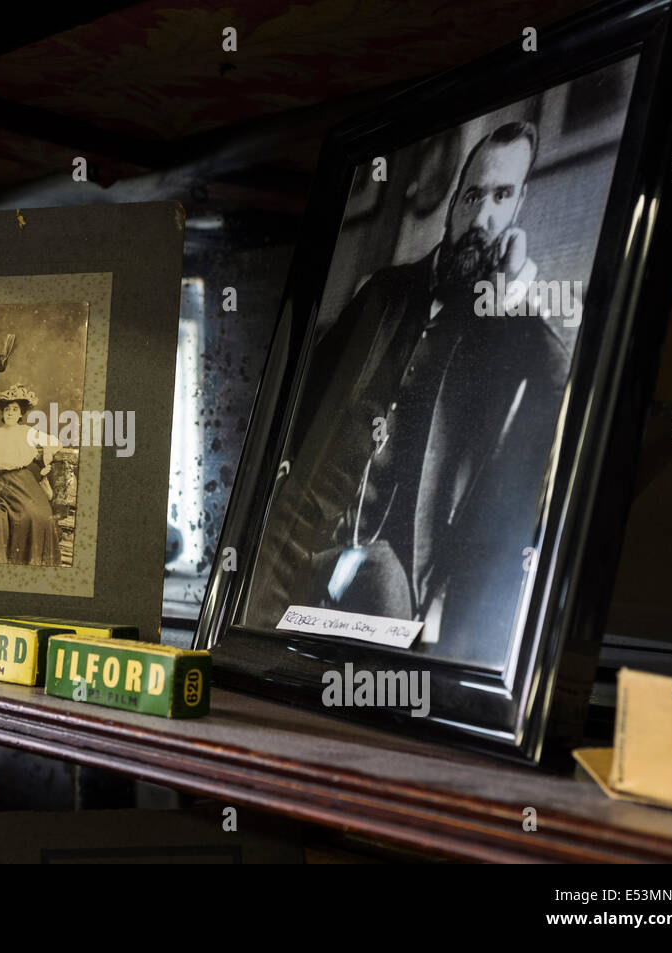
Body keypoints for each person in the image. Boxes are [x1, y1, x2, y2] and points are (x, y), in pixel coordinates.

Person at [247, 120, 571, 669]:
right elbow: (297, 398)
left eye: (502, 196)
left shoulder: (504, 325)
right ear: (452, 203)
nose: (482, 216)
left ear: (519, 207)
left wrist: (516, 292)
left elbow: (556, 379)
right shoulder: (385, 292)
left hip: (389, 571)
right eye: (473, 195)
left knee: (363, 708)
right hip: (296, 540)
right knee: (256, 672)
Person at [0, 384, 60, 566]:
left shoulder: (27, 432)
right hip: (6, 482)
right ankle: (23, 562)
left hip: (26, 479)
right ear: (2, 413)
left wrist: (47, 452)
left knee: (45, 515)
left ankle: (41, 562)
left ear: (21, 413)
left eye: (14, 409)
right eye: (7, 409)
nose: (10, 413)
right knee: (26, 515)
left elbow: (55, 441)